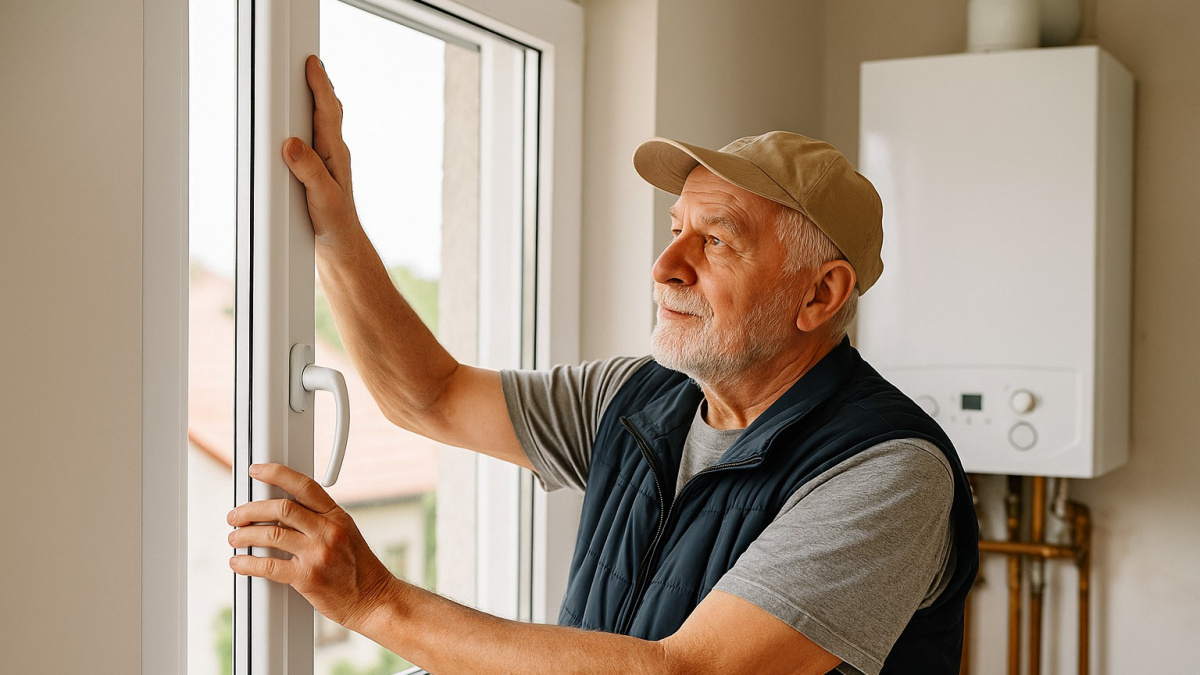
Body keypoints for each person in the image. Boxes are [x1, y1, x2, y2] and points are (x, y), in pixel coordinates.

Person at [227, 55, 978, 675]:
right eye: (676, 228)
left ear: (819, 293)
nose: (665, 265)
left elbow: (689, 672)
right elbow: (433, 395)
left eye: (715, 241)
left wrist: (374, 600)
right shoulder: (640, 397)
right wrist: (333, 231)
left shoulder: (890, 472)